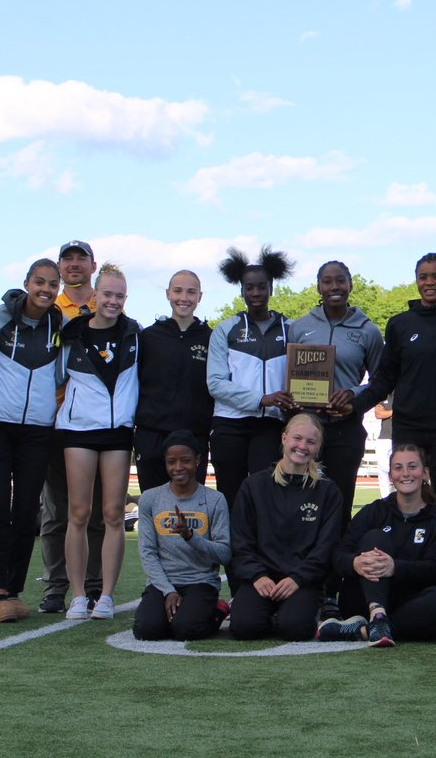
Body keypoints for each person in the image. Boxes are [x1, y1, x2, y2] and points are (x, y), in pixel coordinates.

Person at [350, 253, 436, 512]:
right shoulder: (400, 324)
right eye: (423, 277)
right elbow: (385, 377)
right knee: (409, 497)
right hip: (408, 425)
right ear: (416, 281)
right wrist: (355, 406)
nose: (429, 282)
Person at [291, 260, 384, 621]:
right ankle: (301, 584)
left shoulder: (368, 330)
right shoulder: (300, 327)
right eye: (327, 281)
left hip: (345, 429)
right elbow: (287, 374)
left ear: (349, 285)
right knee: (301, 509)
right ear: (318, 286)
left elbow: (380, 380)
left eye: (340, 281)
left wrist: (354, 395)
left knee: (338, 509)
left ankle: (333, 590)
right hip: (306, 429)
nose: (334, 286)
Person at [0, 258, 63, 622]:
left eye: (52, 284)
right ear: (27, 282)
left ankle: (14, 590)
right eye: (39, 282)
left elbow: (61, 374)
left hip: (37, 430)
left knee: (27, 509)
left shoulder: (60, 325)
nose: (45, 290)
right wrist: (0, 391)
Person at [56, 262, 140, 620]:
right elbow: (56, 376)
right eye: (107, 294)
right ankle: (77, 595)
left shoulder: (134, 334)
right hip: (78, 430)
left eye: (120, 295)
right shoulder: (72, 333)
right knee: (78, 512)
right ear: (95, 294)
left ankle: (105, 595)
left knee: (113, 514)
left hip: (118, 432)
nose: (113, 301)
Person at [319, 444, 436, 646]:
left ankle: (365, 630)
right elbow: (338, 555)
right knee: (375, 538)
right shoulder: (374, 511)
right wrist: (354, 563)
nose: (405, 473)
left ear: (425, 472)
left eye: (412, 466)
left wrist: (395, 568)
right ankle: (378, 615)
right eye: (398, 468)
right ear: (390, 475)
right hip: (363, 602)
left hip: (412, 603)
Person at [229, 413, 342, 641]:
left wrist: (298, 578)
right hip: (262, 579)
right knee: (244, 627)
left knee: (295, 628)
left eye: (311, 442)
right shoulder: (254, 485)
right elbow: (240, 540)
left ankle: (299, 610)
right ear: (284, 438)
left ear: (318, 447)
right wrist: (257, 575)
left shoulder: (328, 492)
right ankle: (265, 610)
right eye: (297, 438)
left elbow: (326, 547)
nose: (302, 446)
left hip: (302, 581)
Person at [38, 240, 105, 614]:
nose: (75, 264)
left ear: (93, 265)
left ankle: (94, 584)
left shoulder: (108, 302)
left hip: (98, 423)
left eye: (82, 258)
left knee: (95, 511)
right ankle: (55, 586)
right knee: (56, 511)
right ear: (59, 267)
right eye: (68, 259)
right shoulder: (48, 308)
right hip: (55, 420)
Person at [207, 246, 299, 510]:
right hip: (229, 424)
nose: (256, 293)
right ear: (241, 290)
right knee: (230, 497)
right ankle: (230, 551)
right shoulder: (226, 329)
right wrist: (261, 399)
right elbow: (215, 383)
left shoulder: (292, 329)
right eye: (249, 287)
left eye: (261, 286)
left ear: (271, 288)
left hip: (270, 425)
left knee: (266, 497)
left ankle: (262, 551)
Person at [132, 430, 231, 641]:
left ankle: (217, 610)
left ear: (197, 460)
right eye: (171, 462)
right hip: (162, 582)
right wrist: (168, 590)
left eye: (185, 460)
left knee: (185, 629)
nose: (178, 468)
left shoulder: (215, 499)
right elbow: (148, 553)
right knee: (147, 629)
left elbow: (225, 554)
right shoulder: (150, 498)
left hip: (201, 582)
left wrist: (191, 537)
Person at [134, 270, 214, 492]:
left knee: (188, 509)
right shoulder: (149, 337)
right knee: (152, 505)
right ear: (168, 294)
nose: (184, 298)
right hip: (152, 434)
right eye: (178, 291)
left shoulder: (211, 338)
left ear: (200, 296)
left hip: (194, 434)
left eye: (191, 292)